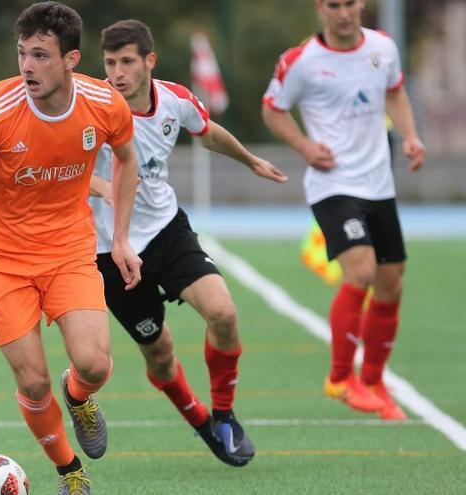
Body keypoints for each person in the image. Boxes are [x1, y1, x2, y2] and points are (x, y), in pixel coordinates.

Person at [0, 3, 141, 493]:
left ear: (71, 59)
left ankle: (79, 396)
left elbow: (126, 158)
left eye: (40, 55)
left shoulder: (104, 104)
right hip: (0, 262)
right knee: (33, 381)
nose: (27, 66)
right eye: (22, 53)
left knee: (95, 364)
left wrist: (119, 237)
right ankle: (70, 471)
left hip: (68, 251)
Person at [90, 19, 287, 467]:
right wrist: (104, 187)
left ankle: (223, 416)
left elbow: (206, 130)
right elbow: (61, 166)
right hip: (110, 253)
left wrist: (250, 159)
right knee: (159, 356)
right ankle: (201, 422)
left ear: (149, 61)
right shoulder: (92, 106)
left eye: (126, 62)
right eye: (110, 63)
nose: (117, 73)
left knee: (223, 312)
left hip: (166, 231)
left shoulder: (174, 99)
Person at [262, 0, 425, 420]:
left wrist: (409, 136)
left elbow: (395, 92)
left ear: (362, 4)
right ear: (320, 7)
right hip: (333, 185)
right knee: (362, 272)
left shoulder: (383, 48)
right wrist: (304, 147)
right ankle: (338, 379)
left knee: (392, 285)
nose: (344, 13)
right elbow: (272, 109)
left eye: (350, 3)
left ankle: (372, 382)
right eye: (334, 4)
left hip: (379, 185)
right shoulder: (301, 61)